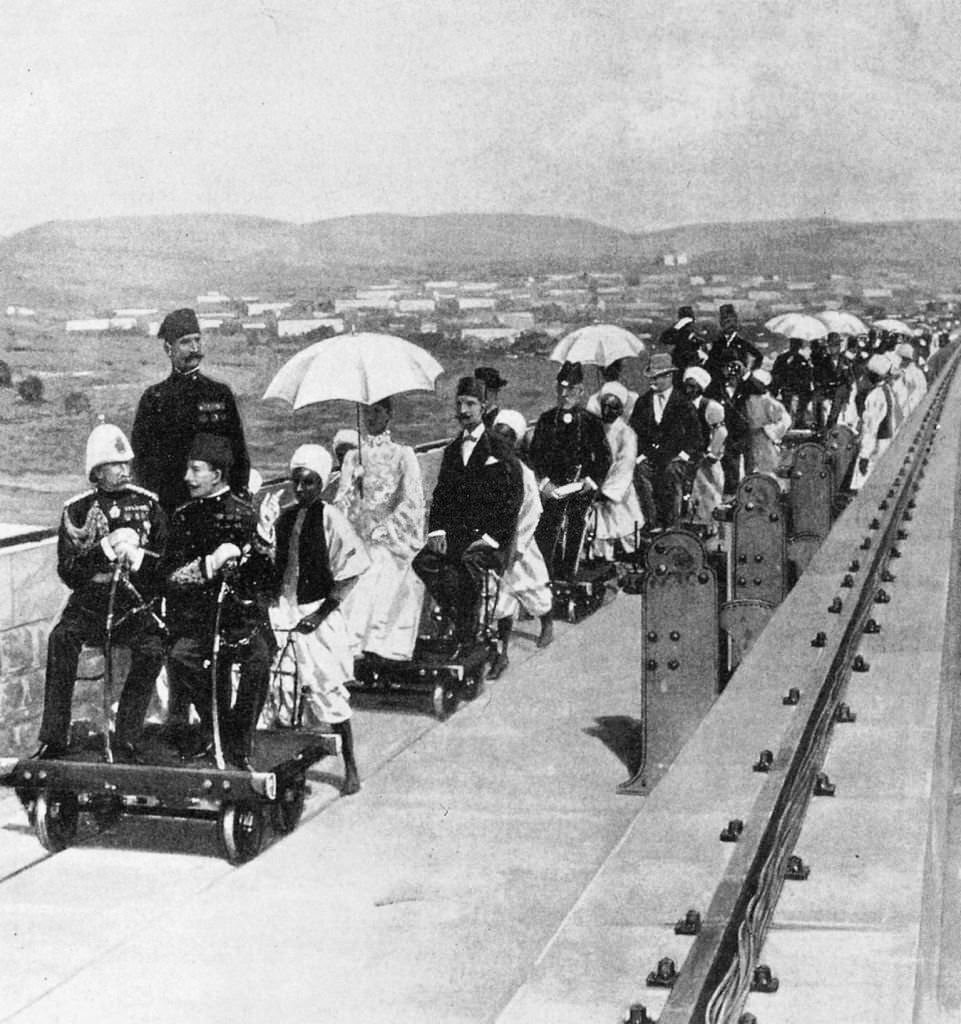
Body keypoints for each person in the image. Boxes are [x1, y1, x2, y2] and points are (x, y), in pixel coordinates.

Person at [33, 425, 168, 762]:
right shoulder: (77, 511)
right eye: (115, 464)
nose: (125, 470)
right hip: (90, 606)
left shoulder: (148, 505)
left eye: (127, 463)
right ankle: (54, 737)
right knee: (61, 639)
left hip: (133, 604)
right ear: (97, 470)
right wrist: (105, 548)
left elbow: (164, 564)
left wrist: (137, 558)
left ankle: (127, 735)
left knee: (153, 649)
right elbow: (69, 571)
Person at [161, 433, 274, 770]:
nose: (187, 478)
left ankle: (240, 733)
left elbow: (266, 578)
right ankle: (219, 726)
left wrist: (266, 544)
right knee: (182, 657)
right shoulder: (183, 516)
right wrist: (209, 565)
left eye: (196, 470)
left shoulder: (246, 515)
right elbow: (170, 575)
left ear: (217, 474)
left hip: (242, 618)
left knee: (260, 660)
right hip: (200, 618)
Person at [265, 445, 369, 795]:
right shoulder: (284, 517)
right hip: (285, 607)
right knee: (282, 688)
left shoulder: (331, 518)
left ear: (321, 484)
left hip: (316, 611)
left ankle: (350, 766)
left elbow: (350, 571)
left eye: (309, 483)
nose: (301, 489)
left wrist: (321, 614)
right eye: (296, 482)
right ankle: (289, 767)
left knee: (327, 689)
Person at [413, 377, 523, 646]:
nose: (463, 410)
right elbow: (441, 496)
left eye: (470, 404)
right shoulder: (452, 450)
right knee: (423, 562)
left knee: (465, 564)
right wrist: (437, 531)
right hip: (457, 534)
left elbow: (513, 499)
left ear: (484, 407)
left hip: (490, 538)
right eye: (459, 403)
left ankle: (465, 629)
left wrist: (491, 538)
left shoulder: (499, 447)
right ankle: (462, 620)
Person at [131, 308, 251, 515]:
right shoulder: (153, 398)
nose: (194, 348)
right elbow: (142, 462)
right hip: (172, 506)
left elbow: (238, 452)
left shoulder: (220, 394)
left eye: (197, 340)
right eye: (185, 342)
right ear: (169, 349)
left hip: (217, 506)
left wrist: (237, 498)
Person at [334, 397, 425, 662]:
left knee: (382, 565)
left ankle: (378, 646)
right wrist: (354, 490)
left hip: (392, 536)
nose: (370, 417)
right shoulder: (353, 456)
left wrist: (385, 528)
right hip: (360, 535)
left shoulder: (403, 454)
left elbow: (413, 500)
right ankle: (352, 647)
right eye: (366, 412)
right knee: (357, 564)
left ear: (388, 415)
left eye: (376, 412)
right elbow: (343, 502)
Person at [487, 410, 554, 679]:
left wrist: (520, 545)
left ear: (515, 442)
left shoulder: (523, 473)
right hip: (495, 545)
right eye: (497, 435)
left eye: (507, 437)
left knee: (532, 589)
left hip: (520, 545)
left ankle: (547, 623)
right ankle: (502, 653)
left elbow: (533, 510)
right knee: (499, 598)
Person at [529, 361, 612, 579]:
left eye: (571, 390)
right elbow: (535, 456)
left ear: (581, 391)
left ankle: (569, 574)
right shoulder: (547, 420)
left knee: (577, 522)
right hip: (552, 486)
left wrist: (591, 482)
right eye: (561, 389)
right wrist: (544, 483)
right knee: (547, 523)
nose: (565, 394)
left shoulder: (591, 422)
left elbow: (604, 457)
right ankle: (546, 575)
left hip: (581, 485)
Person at [628, 352, 702, 531]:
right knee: (640, 473)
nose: (652, 381)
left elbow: (696, 437)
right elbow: (633, 432)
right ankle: (651, 524)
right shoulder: (643, 402)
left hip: (675, 459)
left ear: (669, 376)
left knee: (670, 474)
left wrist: (683, 457)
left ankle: (671, 526)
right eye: (651, 377)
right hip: (650, 458)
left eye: (657, 377)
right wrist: (639, 457)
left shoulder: (683, 403)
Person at [591, 382, 645, 559]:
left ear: (620, 410)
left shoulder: (626, 433)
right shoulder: (594, 428)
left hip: (618, 489)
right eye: (604, 406)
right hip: (596, 483)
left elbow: (625, 462)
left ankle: (627, 555)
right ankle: (601, 557)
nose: (607, 411)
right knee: (599, 526)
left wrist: (608, 491)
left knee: (623, 523)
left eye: (613, 407)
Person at [681, 367, 727, 533]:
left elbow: (720, 432)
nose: (689, 390)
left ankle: (711, 526)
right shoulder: (681, 405)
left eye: (693, 386)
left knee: (708, 490)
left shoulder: (710, 407)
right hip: (687, 455)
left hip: (704, 457)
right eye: (687, 386)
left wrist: (713, 453)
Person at [705, 351, 752, 497]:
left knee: (750, 466)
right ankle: (731, 496)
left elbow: (760, 388)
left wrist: (745, 374)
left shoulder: (745, 386)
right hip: (728, 432)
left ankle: (749, 492)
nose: (730, 371)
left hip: (744, 430)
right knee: (730, 468)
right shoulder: (716, 387)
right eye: (726, 367)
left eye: (732, 367)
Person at [850, 354, 896, 491]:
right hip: (886, 443)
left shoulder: (875, 396)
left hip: (875, 449)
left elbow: (871, 429)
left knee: (864, 486)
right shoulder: (887, 391)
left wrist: (864, 455)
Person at [742, 369, 792, 478]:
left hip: (763, 441)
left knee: (766, 471)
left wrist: (766, 430)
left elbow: (785, 420)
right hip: (747, 439)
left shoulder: (767, 401)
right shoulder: (743, 399)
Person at [706, 304, 763, 381]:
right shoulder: (716, 343)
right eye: (727, 322)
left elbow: (758, 356)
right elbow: (710, 363)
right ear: (721, 323)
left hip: (739, 381)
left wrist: (749, 372)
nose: (731, 325)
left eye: (733, 321)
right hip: (720, 381)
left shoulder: (742, 343)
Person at [661, 305, 709, 373]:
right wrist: (677, 327)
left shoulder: (698, 333)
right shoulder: (679, 333)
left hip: (694, 366)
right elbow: (664, 339)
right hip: (680, 364)